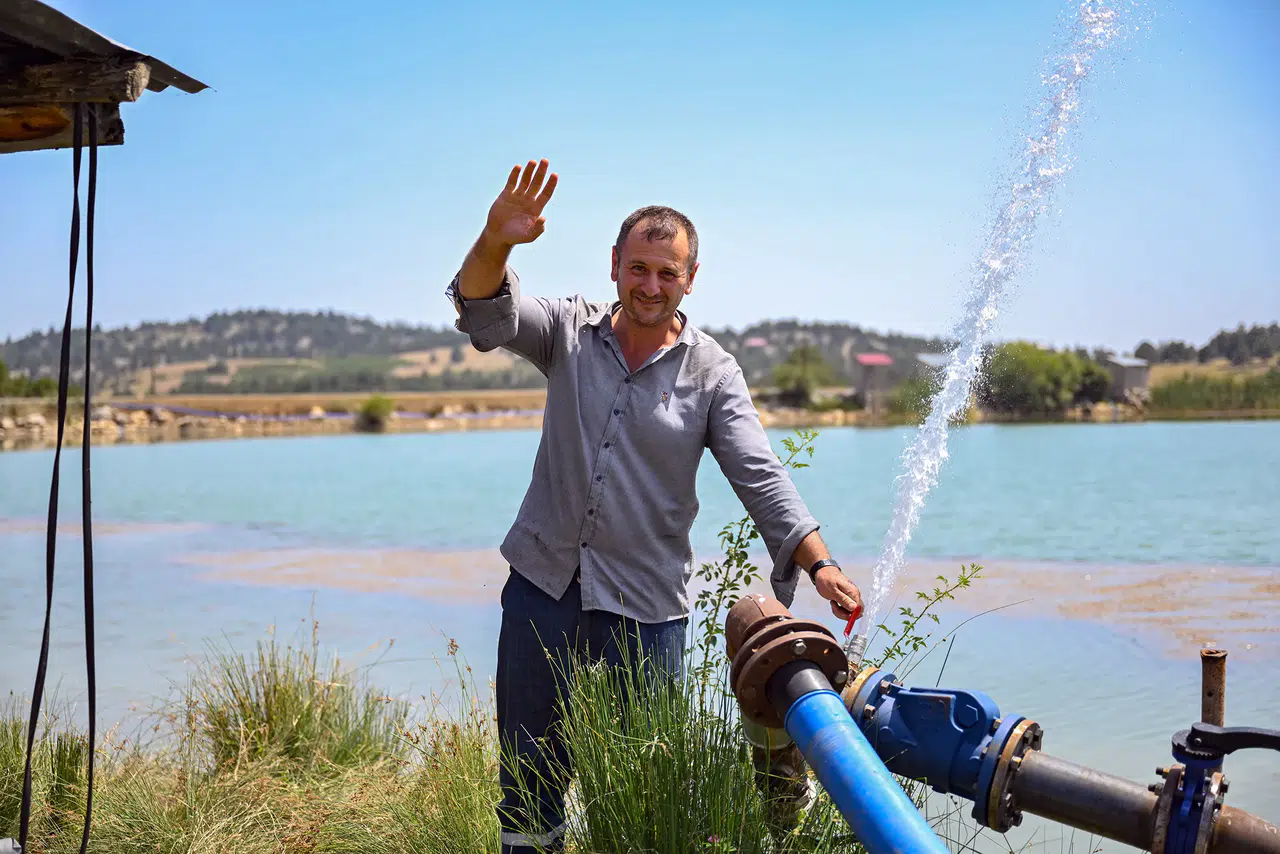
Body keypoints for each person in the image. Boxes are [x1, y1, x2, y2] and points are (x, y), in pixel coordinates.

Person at [447, 159, 863, 853]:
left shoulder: (713, 372)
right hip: (542, 588)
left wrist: (819, 564)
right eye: (639, 268)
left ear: (690, 280)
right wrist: (498, 239)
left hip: (646, 608)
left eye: (667, 273)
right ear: (615, 266)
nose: (651, 284)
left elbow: (759, 473)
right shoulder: (566, 332)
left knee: (642, 779)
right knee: (528, 776)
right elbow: (486, 313)